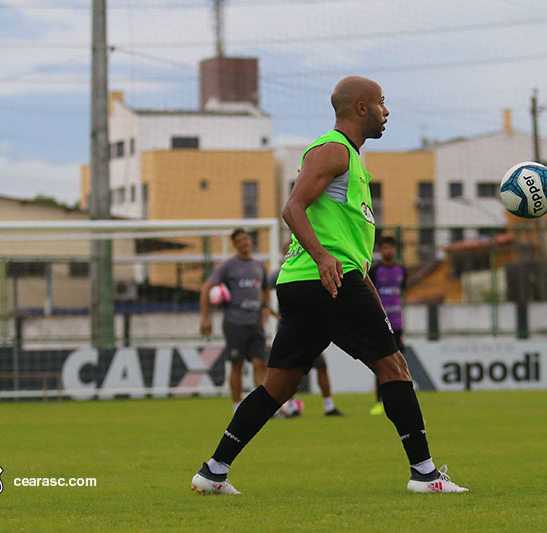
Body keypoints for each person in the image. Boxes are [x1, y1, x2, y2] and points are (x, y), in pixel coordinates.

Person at [191, 76, 467, 495]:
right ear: (361, 107)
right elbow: (292, 208)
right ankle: (426, 475)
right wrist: (323, 258)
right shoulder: (333, 149)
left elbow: (346, 245)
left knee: (278, 385)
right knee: (394, 369)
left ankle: (213, 471)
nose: (386, 112)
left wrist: (361, 285)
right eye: (381, 104)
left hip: (312, 284)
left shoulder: (352, 162)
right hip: (326, 281)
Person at [200, 229, 270, 413]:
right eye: (239, 240)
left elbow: (265, 288)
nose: (244, 242)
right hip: (234, 322)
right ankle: (237, 408)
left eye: (246, 238)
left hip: (255, 323)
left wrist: (265, 306)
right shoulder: (228, 266)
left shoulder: (258, 266)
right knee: (236, 364)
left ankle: (261, 407)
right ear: (235, 244)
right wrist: (205, 318)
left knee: (260, 363)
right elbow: (206, 288)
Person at [268, 267, 344, 417]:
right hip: (291, 328)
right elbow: (264, 295)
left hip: (313, 327)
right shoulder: (280, 274)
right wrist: (276, 315)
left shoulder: (314, 270)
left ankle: (329, 406)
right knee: (286, 371)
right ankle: (285, 406)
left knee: (321, 365)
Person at [368, 235, 406, 415]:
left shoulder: (402, 270)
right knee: (381, 363)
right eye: (385, 248)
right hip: (381, 324)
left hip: (398, 324)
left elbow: (401, 296)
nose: (388, 251)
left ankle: (400, 402)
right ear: (380, 250)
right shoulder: (375, 271)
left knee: (399, 364)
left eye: (391, 247)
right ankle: (379, 401)